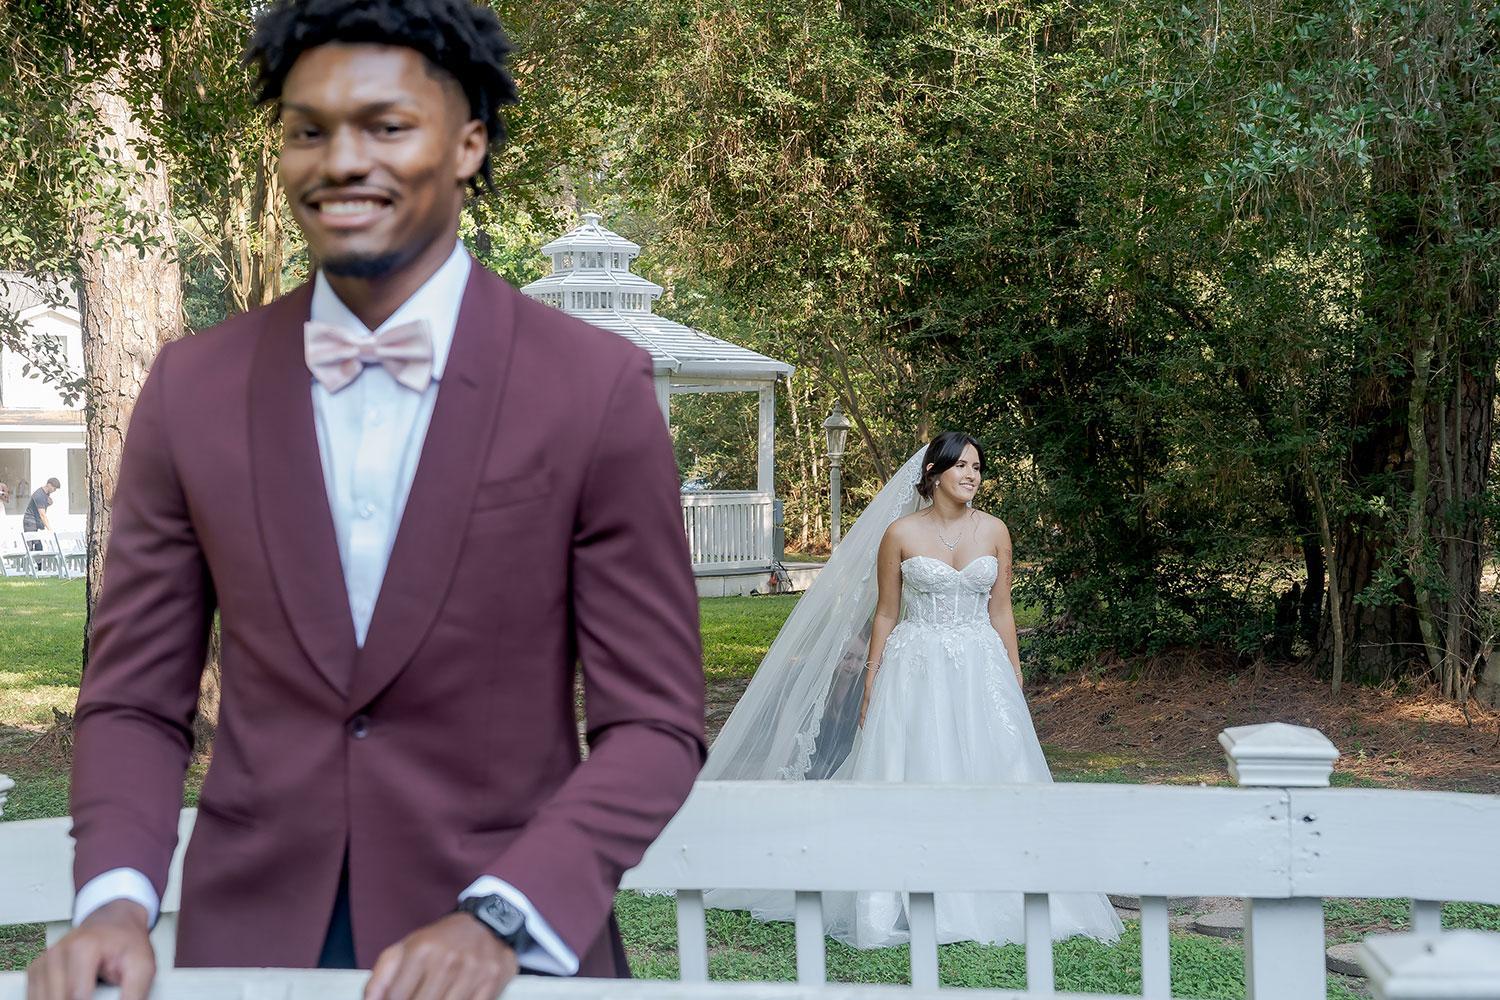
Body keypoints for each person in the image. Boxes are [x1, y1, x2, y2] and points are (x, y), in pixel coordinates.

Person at [26, 3, 705, 1000]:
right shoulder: (191, 390)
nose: (341, 160)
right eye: (309, 130)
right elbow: (135, 698)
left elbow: (654, 723)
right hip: (247, 952)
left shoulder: (593, 389)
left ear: (468, 142)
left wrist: (503, 916)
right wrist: (115, 902)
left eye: (386, 126)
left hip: (505, 958)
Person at [701, 432, 1121, 949]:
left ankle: (996, 887)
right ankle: (895, 894)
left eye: (977, 467)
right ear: (933, 474)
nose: (971, 475)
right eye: (961, 466)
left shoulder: (995, 530)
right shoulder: (900, 533)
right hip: (914, 664)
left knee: (997, 761)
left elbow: (1002, 610)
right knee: (915, 761)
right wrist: (871, 676)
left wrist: (1013, 671)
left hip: (980, 665)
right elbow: (886, 612)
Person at [23, 477, 60, 546]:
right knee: (30, 546)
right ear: (49, 485)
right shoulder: (39, 495)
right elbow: (42, 515)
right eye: (54, 488)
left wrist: (48, 503)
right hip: (30, 521)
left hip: (36, 521)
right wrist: (50, 529)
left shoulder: (45, 493)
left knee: (39, 546)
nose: (54, 491)